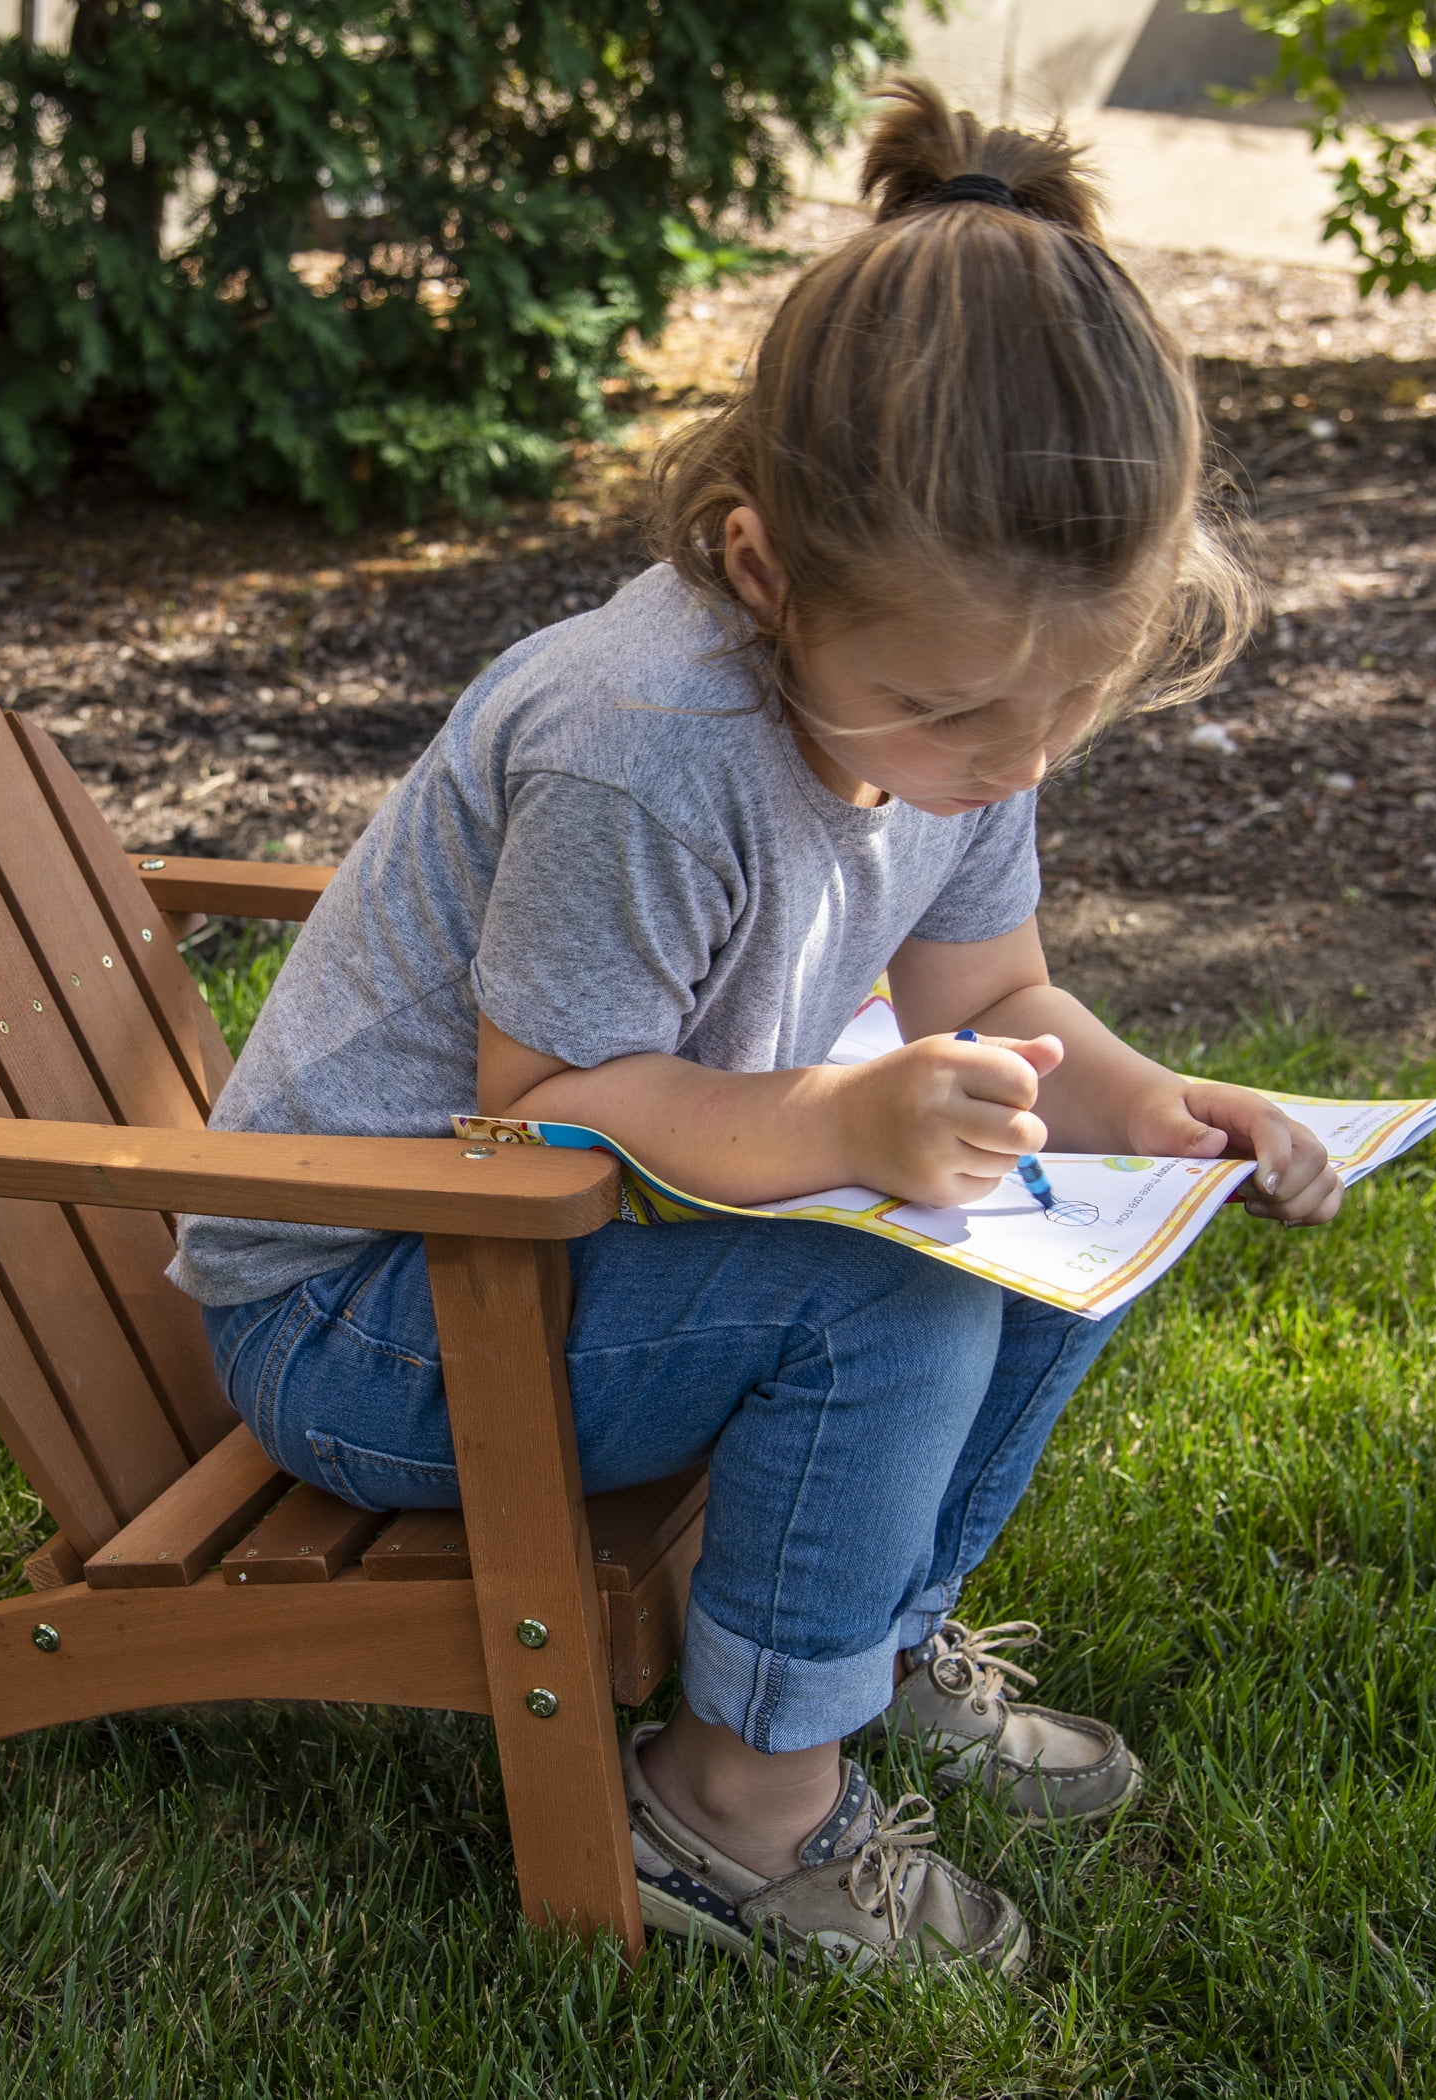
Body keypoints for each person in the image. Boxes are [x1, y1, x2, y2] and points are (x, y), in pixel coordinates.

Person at [169, 78, 1344, 1978]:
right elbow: (539, 1110)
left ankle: (860, 1641)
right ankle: (734, 1804)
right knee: (892, 1287)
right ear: (762, 563)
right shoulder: (646, 751)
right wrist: (848, 1129)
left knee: (1055, 1222)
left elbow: (1000, 994)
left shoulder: (959, 700)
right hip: (376, 1300)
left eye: (1060, 717)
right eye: (957, 717)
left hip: (576, 1255)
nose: (1007, 768)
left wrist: (1156, 1106)